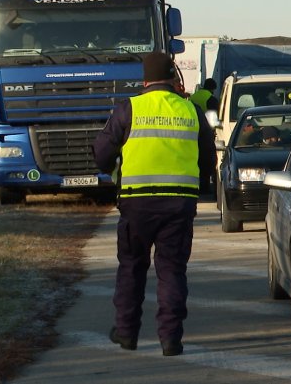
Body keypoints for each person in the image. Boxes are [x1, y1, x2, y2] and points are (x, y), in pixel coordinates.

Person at [93, 51, 217, 356]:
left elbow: (101, 154)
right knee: (172, 270)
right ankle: (170, 340)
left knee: (132, 267)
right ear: (173, 77)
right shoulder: (191, 111)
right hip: (179, 205)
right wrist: (197, 186)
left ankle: (126, 334)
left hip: (137, 204)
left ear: (144, 79)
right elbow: (209, 160)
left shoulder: (129, 109)